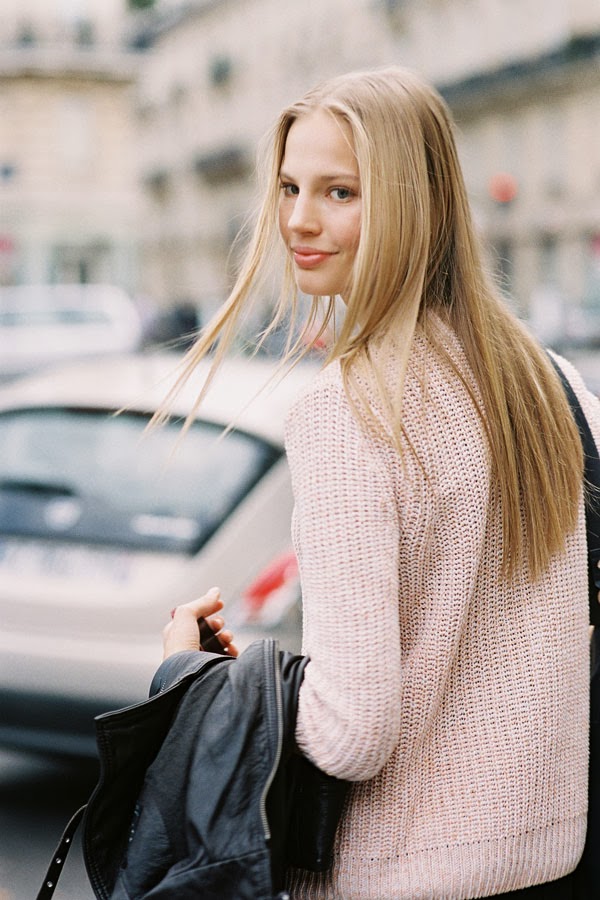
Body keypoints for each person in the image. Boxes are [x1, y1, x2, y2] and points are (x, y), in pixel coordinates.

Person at [160, 66, 599, 899]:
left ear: (414, 203)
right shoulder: (556, 385)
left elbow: (354, 731)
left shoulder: (347, 414)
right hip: (555, 861)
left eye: (339, 192)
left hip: (402, 874)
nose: (298, 219)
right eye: (289, 187)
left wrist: (205, 684)